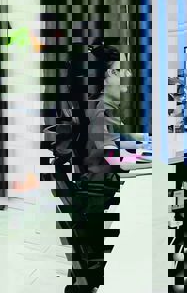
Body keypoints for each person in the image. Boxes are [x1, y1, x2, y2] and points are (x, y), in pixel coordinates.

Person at [47, 27, 127, 293]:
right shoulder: (102, 105)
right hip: (97, 176)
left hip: (90, 174)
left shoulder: (90, 101)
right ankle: (86, 283)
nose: (122, 77)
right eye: (116, 72)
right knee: (91, 234)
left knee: (87, 235)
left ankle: (84, 283)